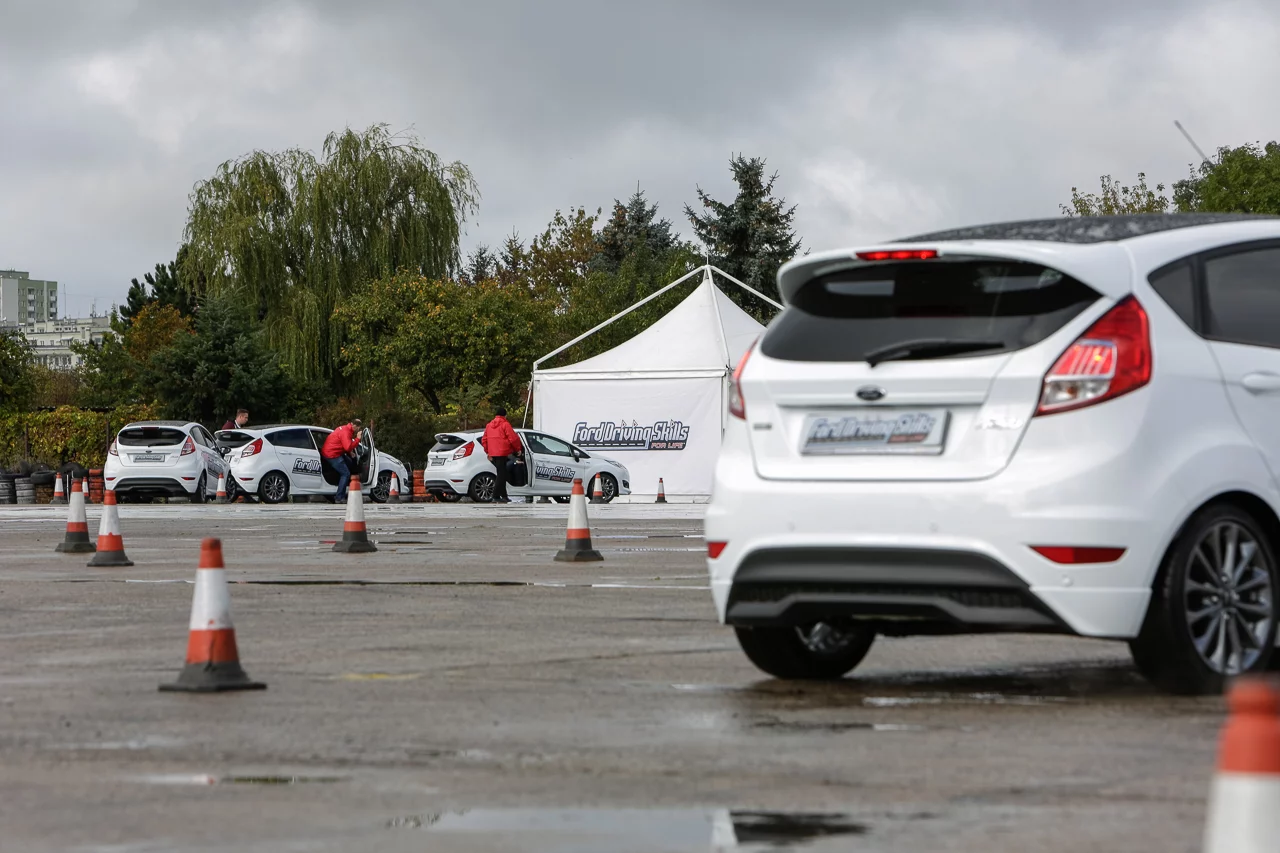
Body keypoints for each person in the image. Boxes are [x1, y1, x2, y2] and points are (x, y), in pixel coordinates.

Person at [481, 407, 523, 504]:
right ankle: (495, 496)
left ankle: (504, 496)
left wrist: (488, 451)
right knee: (501, 475)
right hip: (502, 452)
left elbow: (484, 440)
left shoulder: (489, 425)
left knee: (502, 473)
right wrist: (518, 449)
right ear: (505, 415)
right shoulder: (505, 424)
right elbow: (513, 438)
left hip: (493, 454)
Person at [321, 418, 363, 502]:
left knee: (350, 462)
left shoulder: (345, 429)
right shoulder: (346, 432)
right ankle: (339, 497)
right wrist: (358, 439)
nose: (358, 430)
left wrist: (350, 452)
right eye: (358, 428)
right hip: (332, 454)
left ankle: (343, 484)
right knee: (346, 474)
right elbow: (347, 447)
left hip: (334, 452)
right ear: (354, 426)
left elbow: (344, 443)